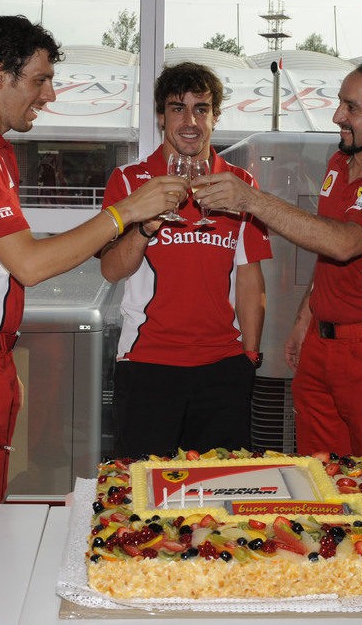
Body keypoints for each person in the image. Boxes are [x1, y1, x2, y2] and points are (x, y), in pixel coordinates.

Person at [0, 15, 186, 503]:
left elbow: (14, 256)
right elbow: (29, 264)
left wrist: (128, 220)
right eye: (39, 80)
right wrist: (126, 211)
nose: (50, 94)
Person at [193, 60, 362, 496]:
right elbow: (327, 251)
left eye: (351, 108)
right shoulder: (340, 162)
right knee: (318, 482)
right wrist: (306, 316)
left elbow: (344, 243)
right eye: (340, 103)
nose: (338, 116)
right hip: (322, 345)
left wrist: (251, 199)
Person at [98, 62, 272, 458]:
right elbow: (111, 270)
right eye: (178, 108)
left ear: (215, 115)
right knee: (142, 499)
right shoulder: (129, 180)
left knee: (217, 501)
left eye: (202, 108)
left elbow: (249, 278)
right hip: (147, 365)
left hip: (223, 368)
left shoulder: (240, 185)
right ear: (161, 116)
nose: (190, 120)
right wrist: (146, 224)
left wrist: (249, 356)